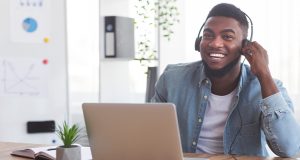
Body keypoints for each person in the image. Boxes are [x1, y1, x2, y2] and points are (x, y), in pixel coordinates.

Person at [151, 3, 300, 157]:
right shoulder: (172, 79)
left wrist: (264, 74)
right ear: (199, 42)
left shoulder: (267, 87)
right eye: (208, 35)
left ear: (245, 47)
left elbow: (291, 149)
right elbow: (149, 134)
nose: (215, 43)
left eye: (227, 37)